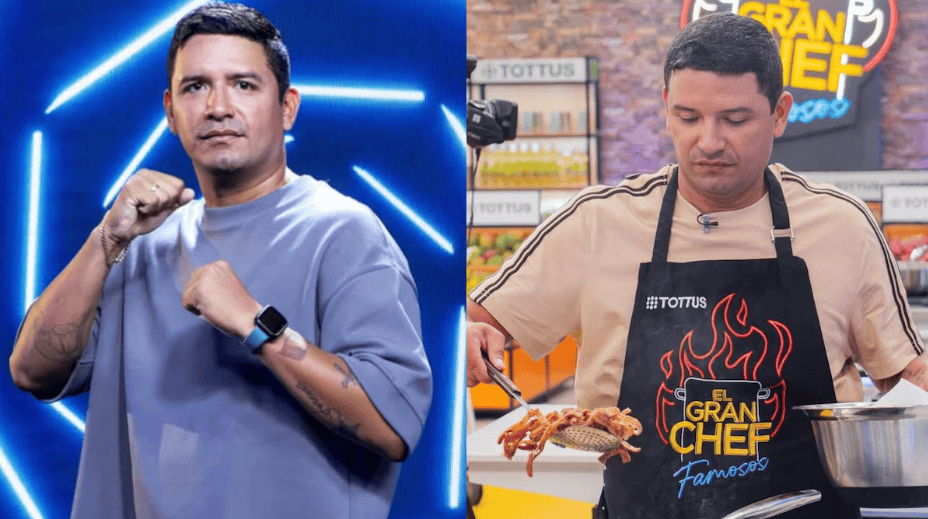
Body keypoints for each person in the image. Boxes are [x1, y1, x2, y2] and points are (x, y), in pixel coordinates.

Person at [466, 12, 927, 519]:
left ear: (779, 114)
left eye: (734, 119)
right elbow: (481, 321)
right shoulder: (597, 222)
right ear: (665, 108)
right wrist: (470, 334)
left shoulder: (841, 226)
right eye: (688, 118)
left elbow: (906, 376)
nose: (709, 141)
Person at [9, 4, 431, 519]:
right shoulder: (140, 240)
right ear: (170, 110)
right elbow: (31, 371)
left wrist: (259, 327)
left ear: (288, 107)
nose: (218, 106)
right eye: (196, 87)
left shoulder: (346, 232)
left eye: (244, 85)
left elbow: (393, 427)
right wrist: (105, 240)